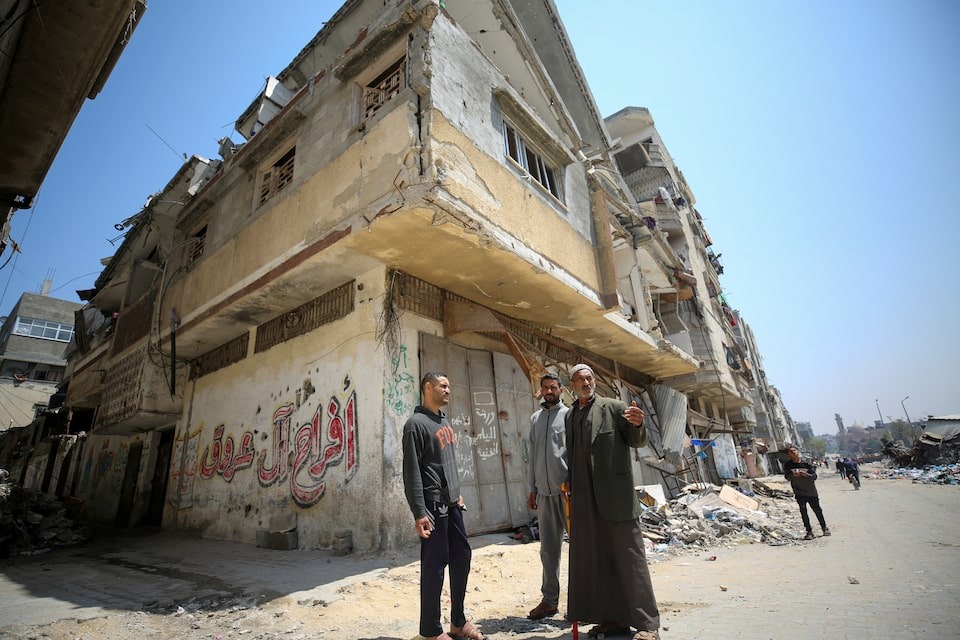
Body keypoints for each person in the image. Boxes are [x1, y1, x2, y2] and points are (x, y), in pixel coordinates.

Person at [564, 363, 660, 640]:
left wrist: (639, 423)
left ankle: (646, 624)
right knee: (599, 560)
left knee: (631, 560)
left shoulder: (615, 407)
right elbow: (573, 456)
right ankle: (614, 619)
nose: (586, 382)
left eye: (589, 378)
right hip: (585, 501)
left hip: (616, 498)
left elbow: (637, 440)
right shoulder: (571, 416)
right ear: (572, 385)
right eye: (580, 379)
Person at [402, 372, 484, 640]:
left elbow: (447, 462)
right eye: (443, 386)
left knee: (462, 558)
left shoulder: (443, 421)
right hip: (432, 506)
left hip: (452, 504)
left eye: (450, 385)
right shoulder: (416, 424)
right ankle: (431, 631)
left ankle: (458, 622)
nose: (449, 390)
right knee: (434, 568)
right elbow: (412, 471)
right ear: (428, 387)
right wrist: (419, 511)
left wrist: (457, 493)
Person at [525, 373, 569, 620]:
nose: (549, 391)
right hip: (543, 494)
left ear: (561, 389)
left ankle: (582, 602)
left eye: (553, 387)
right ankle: (549, 601)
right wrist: (533, 488)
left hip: (567, 494)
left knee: (580, 550)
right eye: (545, 388)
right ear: (540, 391)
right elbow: (532, 458)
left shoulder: (570, 416)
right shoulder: (535, 419)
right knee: (548, 551)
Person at [783, 445, 830, 540]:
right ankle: (809, 531)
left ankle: (824, 528)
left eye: (794, 450)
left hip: (811, 492)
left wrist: (806, 474)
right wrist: (793, 475)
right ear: (789, 455)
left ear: (798, 451)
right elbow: (787, 477)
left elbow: (814, 477)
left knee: (817, 510)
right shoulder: (788, 465)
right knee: (803, 512)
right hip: (799, 492)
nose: (793, 453)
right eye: (791, 452)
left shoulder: (807, 463)